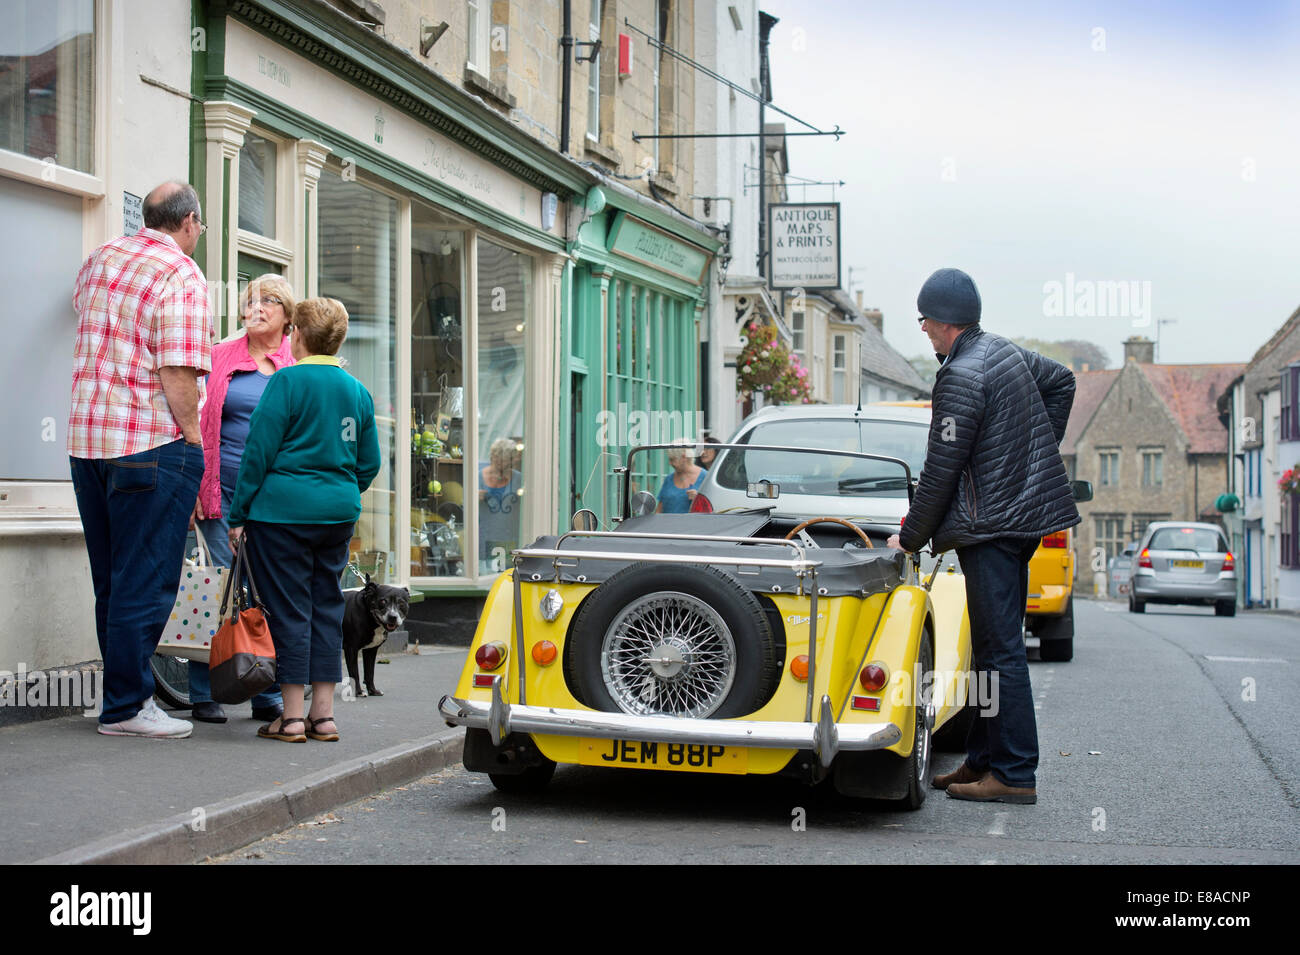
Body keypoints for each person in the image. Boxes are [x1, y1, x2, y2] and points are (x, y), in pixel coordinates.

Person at [887, 268, 1078, 804]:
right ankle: (983, 760)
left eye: (923, 320)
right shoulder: (1003, 351)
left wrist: (909, 536)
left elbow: (942, 467)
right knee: (988, 651)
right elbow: (1063, 379)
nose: (922, 329)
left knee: (1001, 650)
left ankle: (1014, 774)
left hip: (992, 528)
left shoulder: (960, 376)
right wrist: (1033, 455)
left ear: (941, 322)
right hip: (1019, 521)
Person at [69, 181, 212, 739]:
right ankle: (128, 707)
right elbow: (177, 369)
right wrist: (195, 440)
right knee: (146, 579)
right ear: (190, 221)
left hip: (88, 444)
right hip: (150, 444)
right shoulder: (181, 274)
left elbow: (87, 317)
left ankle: (118, 697)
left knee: (112, 577)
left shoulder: (100, 257)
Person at [227, 298, 380, 743]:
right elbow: (368, 462)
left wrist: (238, 515)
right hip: (335, 515)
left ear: (298, 335)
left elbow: (258, 452)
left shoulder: (286, 382)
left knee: (289, 609)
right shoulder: (355, 390)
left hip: (281, 514)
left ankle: (291, 718)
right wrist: (340, 490)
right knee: (327, 606)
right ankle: (325, 715)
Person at [187, 275, 297, 724]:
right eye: (251, 300)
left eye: (269, 301)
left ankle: (264, 689)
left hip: (273, 499)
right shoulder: (217, 359)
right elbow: (191, 422)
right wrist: (195, 483)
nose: (258, 307)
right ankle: (204, 690)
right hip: (220, 491)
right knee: (216, 588)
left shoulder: (296, 367)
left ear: (288, 316)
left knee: (265, 592)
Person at [478, 437, 522, 571]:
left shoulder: (519, 479)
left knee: (508, 577)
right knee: (484, 575)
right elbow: (463, 507)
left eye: (502, 459)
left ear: (512, 460)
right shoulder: (477, 478)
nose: (497, 461)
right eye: (494, 457)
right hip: (484, 538)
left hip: (510, 539)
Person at [657, 443, 706, 513]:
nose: (670, 463)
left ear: (684, 457)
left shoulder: (705, 477)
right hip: (667, 523)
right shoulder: (668, 479)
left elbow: (713, 508)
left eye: (672, 459)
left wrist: (699, 499)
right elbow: (659, 509)